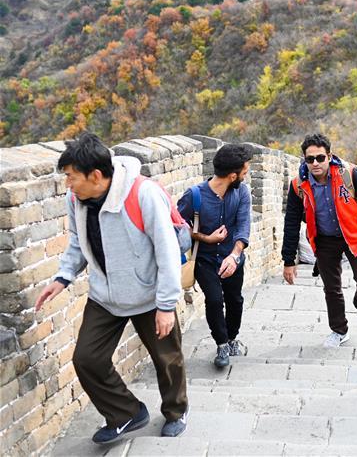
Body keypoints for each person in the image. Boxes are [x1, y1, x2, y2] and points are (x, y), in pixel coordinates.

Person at [34, 133, 188, 444]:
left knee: (167, 359)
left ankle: (176, 411)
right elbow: (79, 243)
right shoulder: (76, 199)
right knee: (87, 359)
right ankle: (126, 413)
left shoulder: (142, 194)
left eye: (71, 177)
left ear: (96, 175)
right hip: (105, 295)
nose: (68, 184)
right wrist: (62, 278)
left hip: (149, 294)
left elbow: (167, 250)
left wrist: (166, 305)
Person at [280, 133, 357, 348]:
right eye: (310, 159)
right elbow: (291, 223)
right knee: (332, 288)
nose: (315, 163)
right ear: (304, 160)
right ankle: (339, 330)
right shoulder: (298, 185)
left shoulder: (349, 174)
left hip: (355, 235)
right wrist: (288, 260)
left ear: (329, 156)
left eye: (320, 157)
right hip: (324, 240)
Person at [177, 143, 252, 369]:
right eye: (245, 171)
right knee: (214, 300)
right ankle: (221, 345)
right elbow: (177, 226)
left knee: (235, 300)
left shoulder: (242, 192)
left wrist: (235, 255)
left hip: (232, 257)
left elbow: (243, 224)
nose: (246, 175)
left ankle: (231, 338)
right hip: (205, 259)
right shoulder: (195, 195)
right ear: (232, 175)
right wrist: (205, 238)